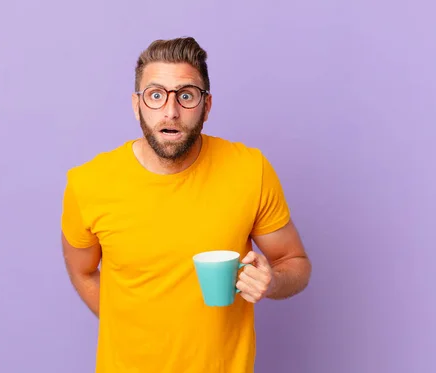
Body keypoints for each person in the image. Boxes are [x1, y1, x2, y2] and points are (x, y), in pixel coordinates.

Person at [60, 36, 311, 373]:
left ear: (206, 106)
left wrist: (272, 281)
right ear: (137, 105)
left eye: (187, 96)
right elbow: (83, 270)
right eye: (156, 95)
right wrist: (126, 329)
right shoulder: (88, 183)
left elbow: (294, 261)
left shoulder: (250, 170)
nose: (171, 111)